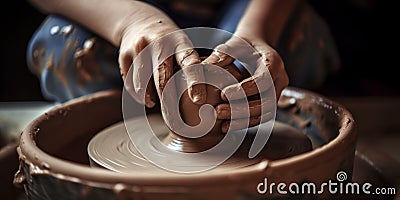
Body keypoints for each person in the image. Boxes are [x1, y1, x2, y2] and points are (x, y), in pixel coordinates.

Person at [26, 0, 340, 132]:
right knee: (67, 51)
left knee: (301, 40)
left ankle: (251, 123)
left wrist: (259, 31)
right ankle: (123, 123)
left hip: (240, 9)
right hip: (114, 7)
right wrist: (131, 22)